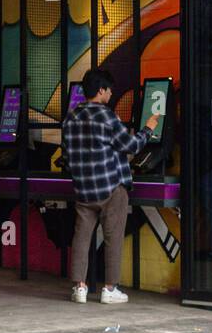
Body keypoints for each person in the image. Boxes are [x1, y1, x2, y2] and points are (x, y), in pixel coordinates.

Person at [61, 68, 160, 304]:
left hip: (84, 189)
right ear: (101, 90)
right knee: (113, 237)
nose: (111, 93)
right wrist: (149, 128)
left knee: (81, 237)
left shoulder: (71, 117)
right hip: (111, 187)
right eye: (109, 89)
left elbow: (65, 155)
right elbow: (131, 145)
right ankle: (109, 288)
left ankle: (79, 287)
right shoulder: (107, 116)